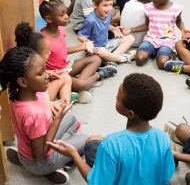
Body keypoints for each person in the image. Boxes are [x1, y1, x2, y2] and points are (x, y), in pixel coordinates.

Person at [47, 73, 175, 184]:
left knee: (93, 140)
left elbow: (96, 183)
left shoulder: (112, 143)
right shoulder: (164, 139)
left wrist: (73, 154)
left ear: (130, 113)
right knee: (95, 140)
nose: (115, 99)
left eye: (118, 98)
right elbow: (165, 177)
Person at [0, 47, 87, 184]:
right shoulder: (35, 115)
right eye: (40, 74)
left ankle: (23, 160)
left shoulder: (17, 97)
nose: (47, 75)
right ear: (23, 82)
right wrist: (57, 118)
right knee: (85, 139)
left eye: (45, 70)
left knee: (71, 119)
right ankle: (53, 168)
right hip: (42, 163)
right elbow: (40, 155)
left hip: (26, 153)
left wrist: (57, 113)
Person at [39, 0, 117, 100]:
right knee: (81, 84)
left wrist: (81, 47)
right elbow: (40, 66)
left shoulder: (60, 29)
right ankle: (99, 75)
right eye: (61, 15)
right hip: (56, 76)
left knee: (96, 59)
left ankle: (70, 87)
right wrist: (53, 75)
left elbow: (62, 51)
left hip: (66, 68)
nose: (67, 16)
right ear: (49, 19)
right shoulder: (43, 40)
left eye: (66, 12)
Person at [123, 0, 187, 69]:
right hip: (151, 40)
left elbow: (178, 21)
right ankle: (156, 52)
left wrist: (184, 29)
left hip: (167, 41)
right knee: (139, 59)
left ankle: (171, 53)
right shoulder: (148, 7)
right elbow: (146, 25)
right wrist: (131, 29)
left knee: (161, 63)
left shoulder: (176, 8)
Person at [14, 22, 75, 105]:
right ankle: (65, 107)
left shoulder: (26, 63)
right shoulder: (34, 66)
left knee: (64, 76)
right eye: (47, 52)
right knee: (66, 78)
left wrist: (49, 73)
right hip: (40, 99)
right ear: (37, 55)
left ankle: (61, 103)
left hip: (37, 96)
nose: (50, 53)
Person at [78, 0, 136, 64]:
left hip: (107, 44)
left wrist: (113, 28)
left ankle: (111, 59)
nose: (109, 8)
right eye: (105, 5)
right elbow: (81, 35)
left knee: (130, 38)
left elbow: (105, 24)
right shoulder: (90, 20)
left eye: (111, 5)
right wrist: (88, 42)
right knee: (101, 51)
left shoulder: (108, 14)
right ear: (95, 5)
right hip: (96, 48)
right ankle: (123, 58)